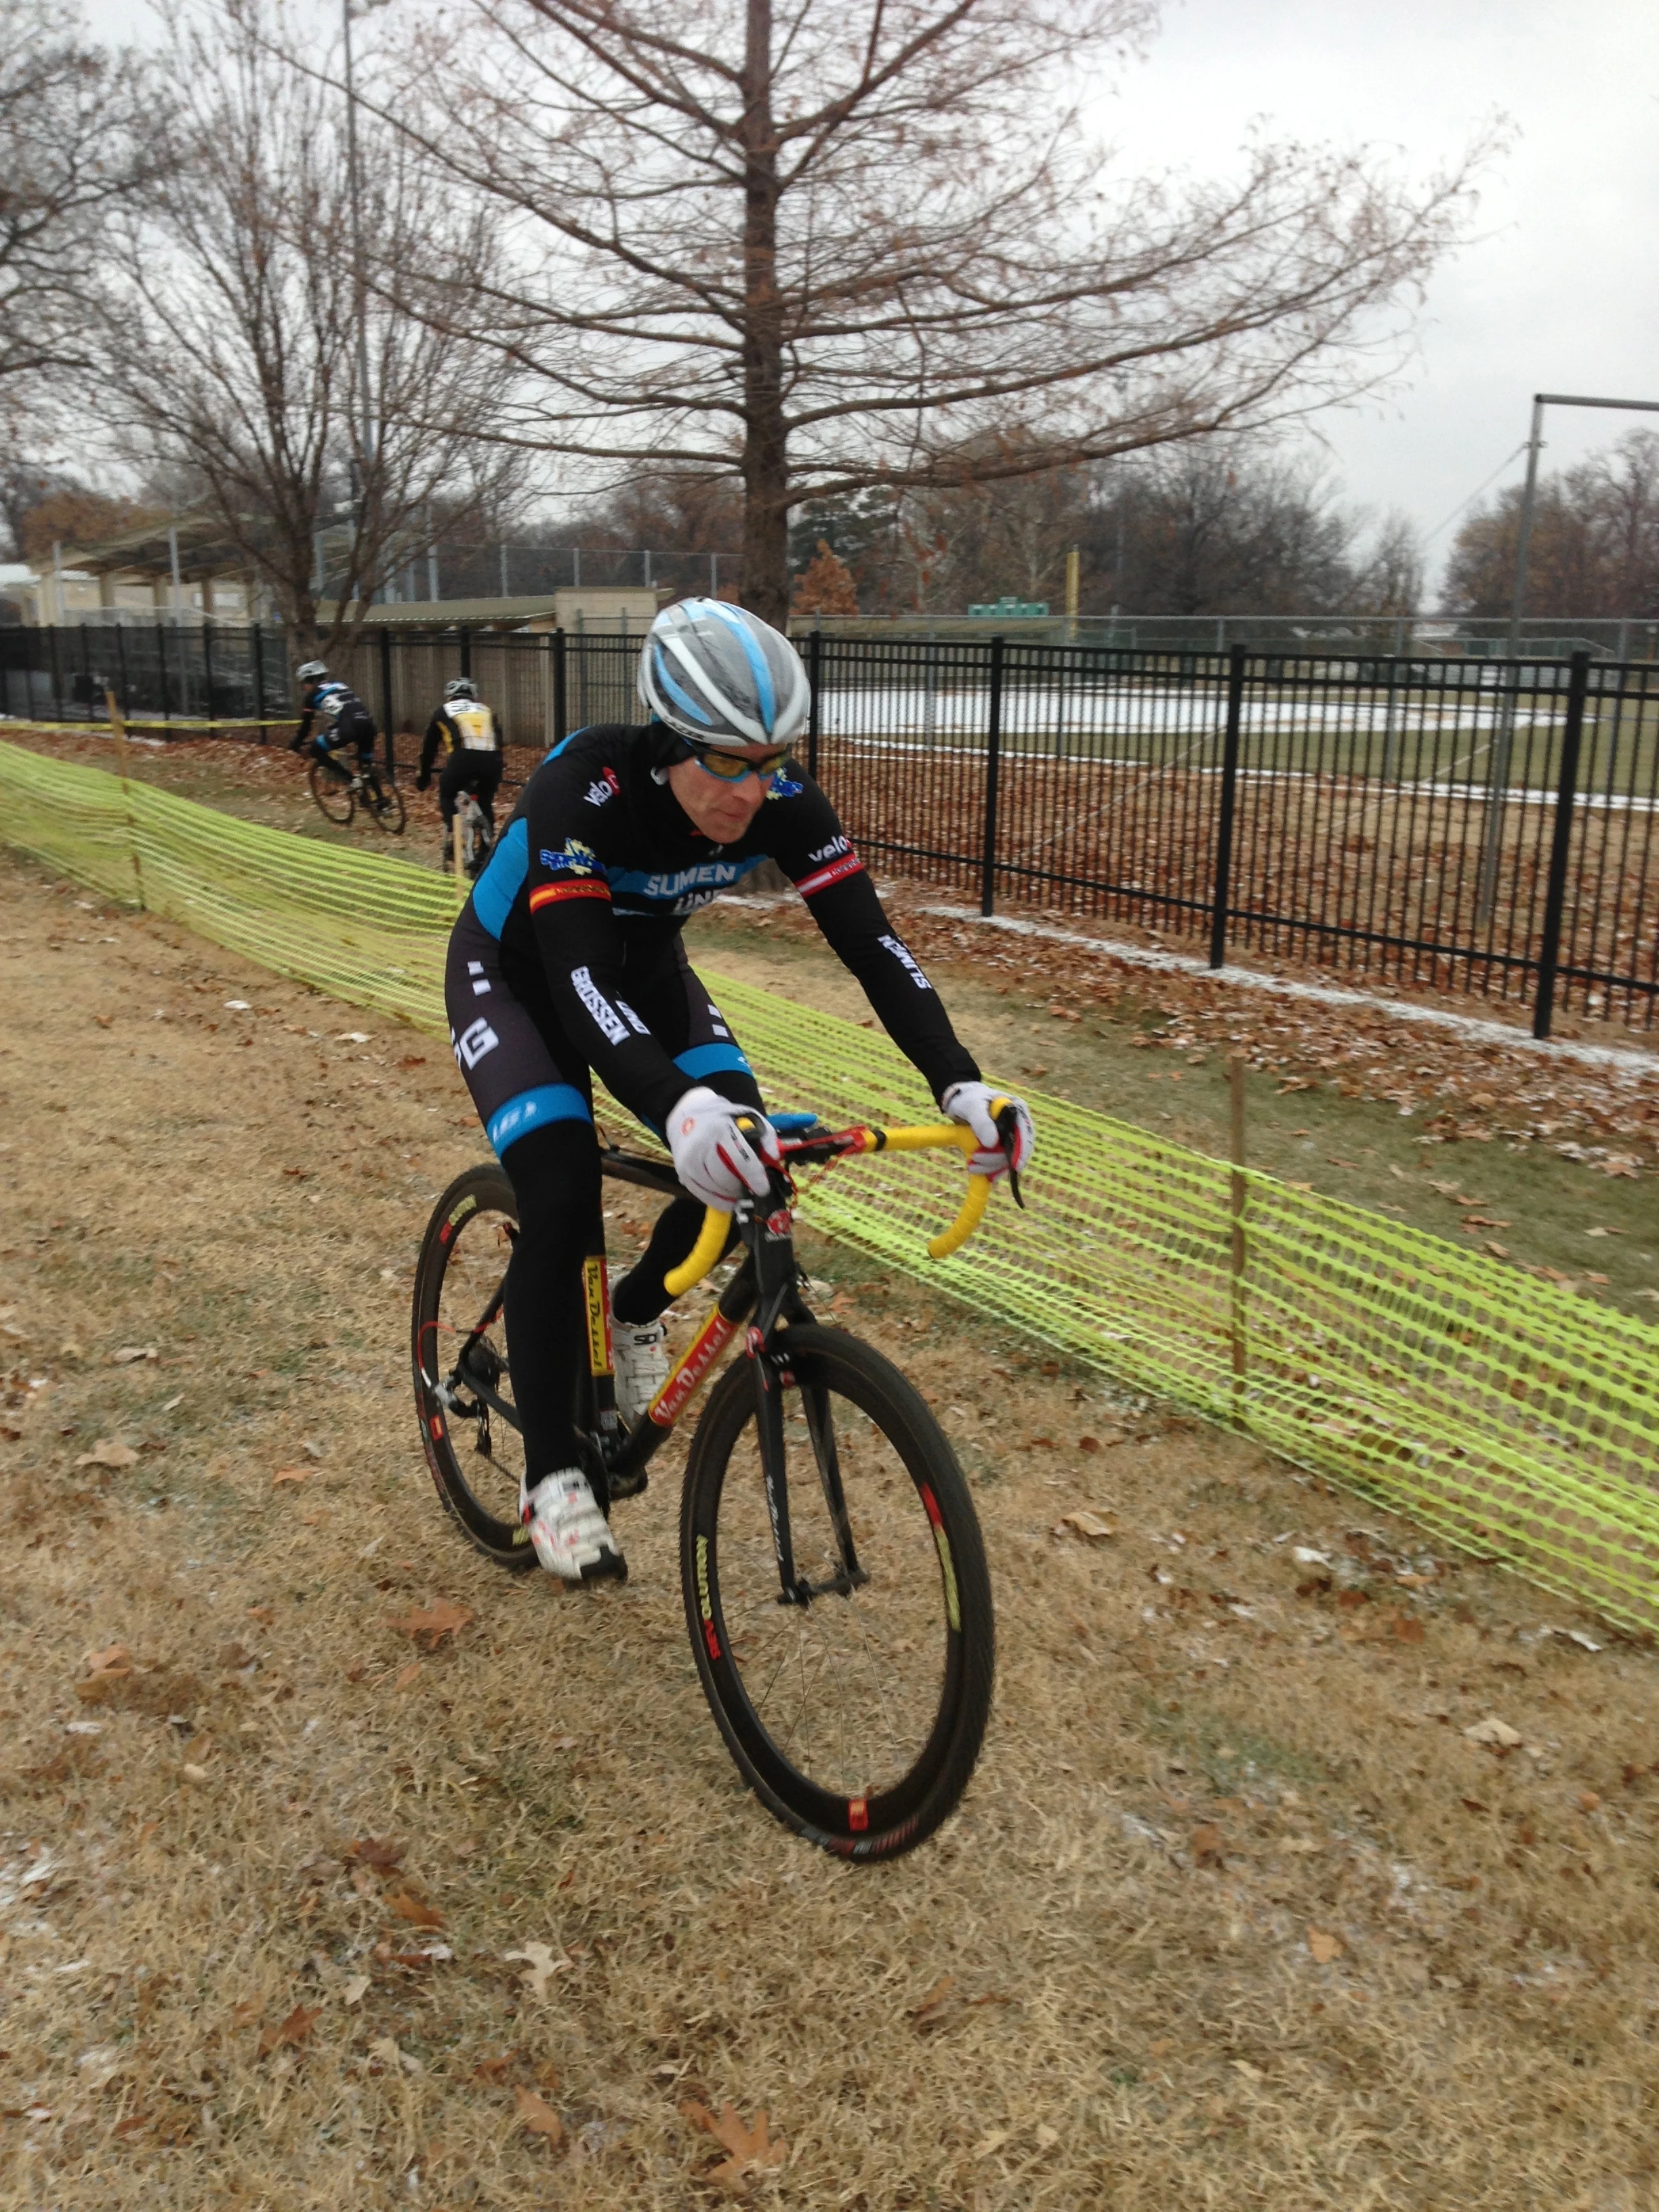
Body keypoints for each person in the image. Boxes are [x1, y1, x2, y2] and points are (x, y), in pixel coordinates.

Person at [443, 598, 1034, 1583]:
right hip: (518, 974)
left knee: (750, 1162)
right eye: (727, 761)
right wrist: (678, 1108)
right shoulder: (581, 787)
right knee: (561, 1185)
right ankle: (551, 1480)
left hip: (644, 975)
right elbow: (577, 979)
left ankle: (633, 1307)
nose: (754, 791)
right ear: (669, 736)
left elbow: (874, 947)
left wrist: (960, 1084)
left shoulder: (782, 796)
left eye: (772, 761)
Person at [417, 677, 504, 856]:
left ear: (450, 696)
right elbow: (499, 739)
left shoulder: (443, 711)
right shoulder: (487, 710)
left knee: (447, 795)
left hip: (463, 758)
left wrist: (424, 776)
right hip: (492, 759)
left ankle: (458, 838)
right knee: (485, 801)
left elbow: (429, 748)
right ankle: (485, 851)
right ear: (474, 695)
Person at [288, 661, 379, 779]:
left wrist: (295, 743)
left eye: (303, 683)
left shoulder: (312, 696)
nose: (303, 687)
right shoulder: (340, 685)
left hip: (350, 727)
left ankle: (350, 780)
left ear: (312, 680)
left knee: (315, 749)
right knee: (366, 767)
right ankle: (375, 788)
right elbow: (348, 710)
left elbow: (306, 727)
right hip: (368, 724)